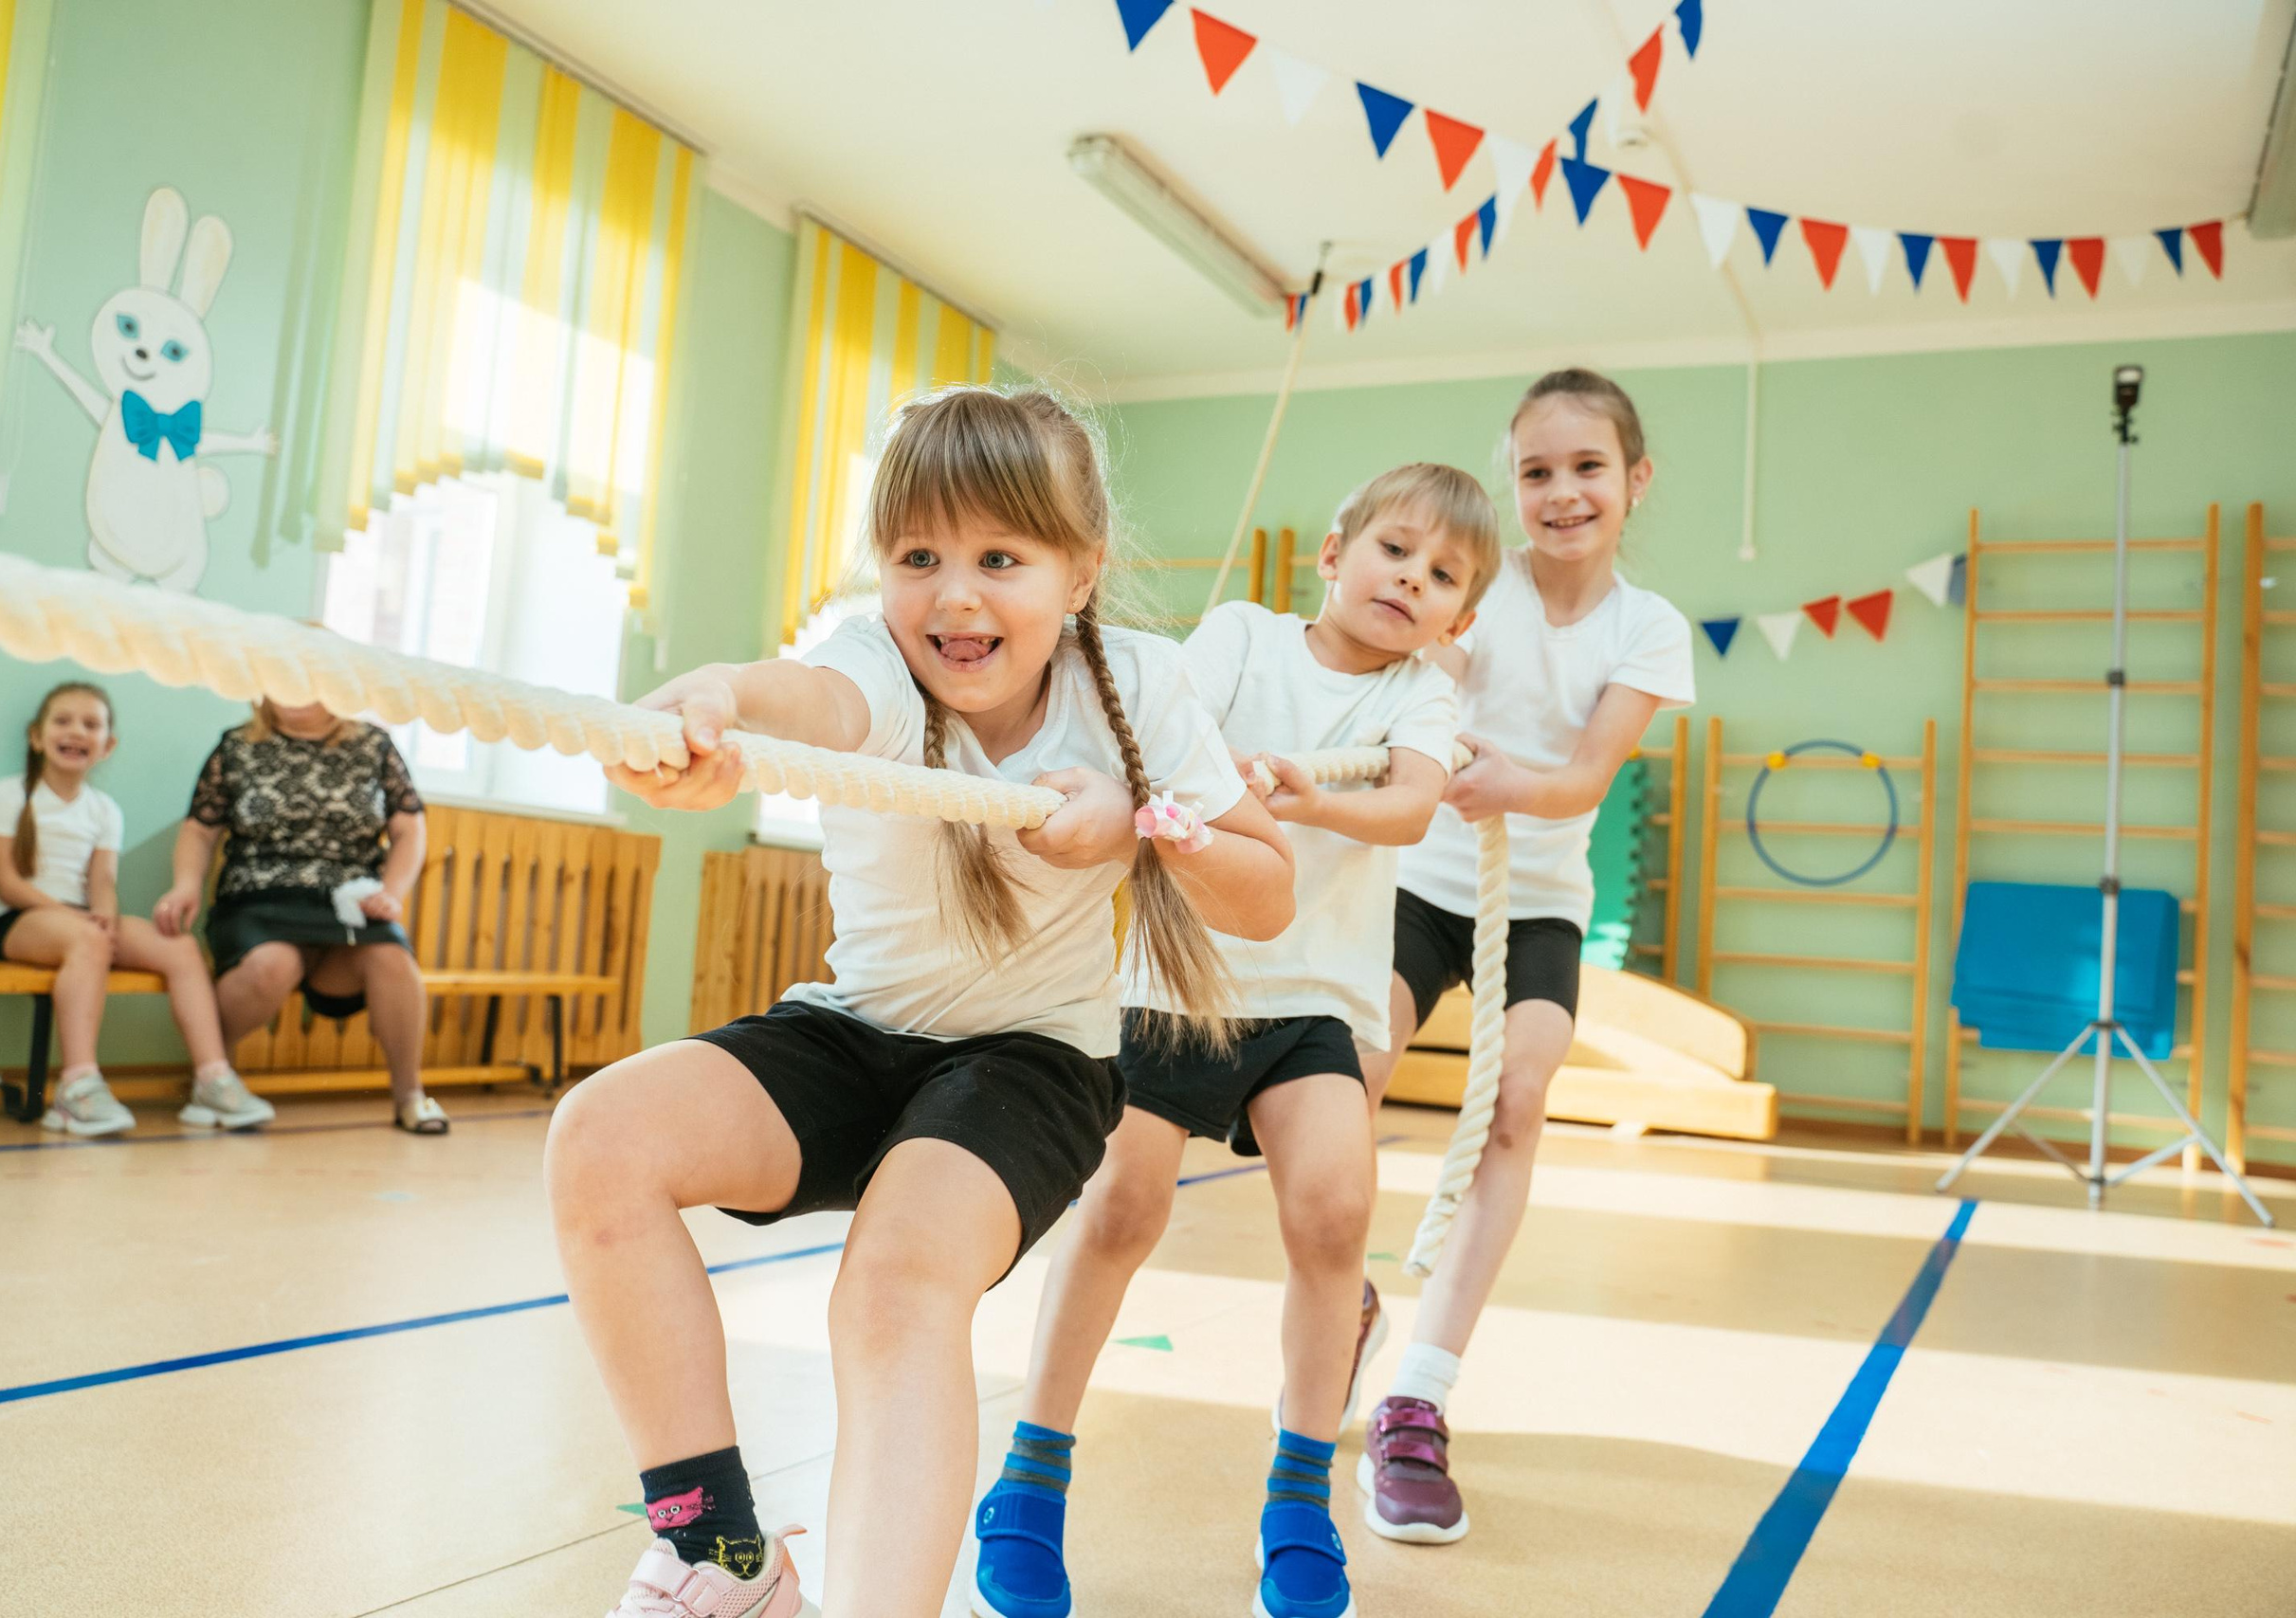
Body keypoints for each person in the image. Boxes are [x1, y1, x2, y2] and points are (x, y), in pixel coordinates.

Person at [552, 386, 1297, 1618]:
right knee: (601, 1138)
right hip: (855, 1031)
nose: (954, 595)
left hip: (1032, 1063)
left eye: (1001, 557)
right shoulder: (879, 660)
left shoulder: (1139, 690)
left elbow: (1263, 891)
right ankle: (719, 1553)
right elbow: (813, 703)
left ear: (1081, 570)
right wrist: (718, 702)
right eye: (918, 556)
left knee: (896, 1281)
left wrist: (1143, 825)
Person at [975, 464, 1495, 1618]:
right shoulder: (1241, 636)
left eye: (1443, 576)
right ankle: (1028, 1477)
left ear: (1459, 619)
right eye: (1394, 552)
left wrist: (1304, 800)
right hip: (1177, 983)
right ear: (1333, 552)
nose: (1410, 581)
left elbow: (1411, 805)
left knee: (1331, 1216)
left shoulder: (1419, 695)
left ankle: (1299, 1498)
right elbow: (1159, 737)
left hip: (1314, 1004)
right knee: (1119, 1212)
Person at [1357, 369, 1695, 1543]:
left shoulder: (1644, 629)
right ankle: (1336, 1291)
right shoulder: (1473, 594)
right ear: (1513, 483)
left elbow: (1585, 779)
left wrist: (1507, 782)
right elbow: (1429, 674)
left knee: (1518, 1101)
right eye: (1537, 471)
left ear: (1633, 481)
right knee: (1343, 1073)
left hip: (1536, 905)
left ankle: (1419, 1399)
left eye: (1586, 467)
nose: (1561, 493)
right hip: (1417, 886)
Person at [0, 682, 253, 1136]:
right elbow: (8, 885)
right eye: (62, 721)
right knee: (88, 938)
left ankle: (213, 1079)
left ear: (108, 745)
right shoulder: (7, 795)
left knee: (179, 948)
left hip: (81, 921)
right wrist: (81, 922)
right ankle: (77, 1087)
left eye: (91, 724)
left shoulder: (105, 810)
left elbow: (102, 881)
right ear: (36, 736)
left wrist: (102, 914)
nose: (76, 731)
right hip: (17, 920)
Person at [154, 699, 441, 1133]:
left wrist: (392, 892)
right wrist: (186, 884)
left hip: (350, 900)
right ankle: (213, 1075)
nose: (295, 693)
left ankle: (411, 1097)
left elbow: (410, 828)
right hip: (258, 897)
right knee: (272, 965)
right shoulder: (236, 746)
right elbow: (199, 828)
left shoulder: (374, 745)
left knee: (393, 960)